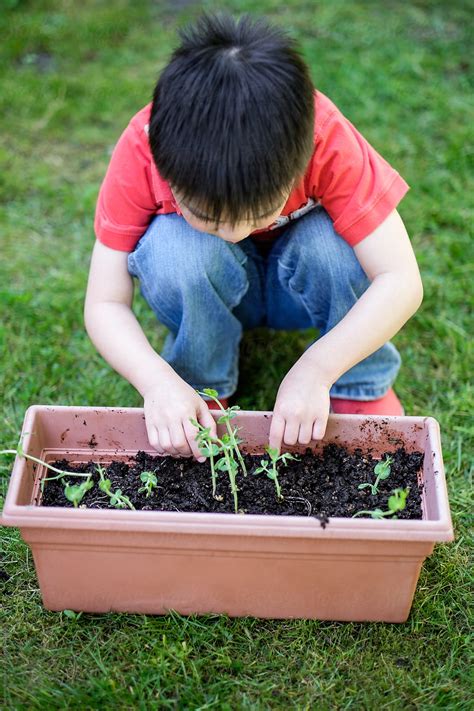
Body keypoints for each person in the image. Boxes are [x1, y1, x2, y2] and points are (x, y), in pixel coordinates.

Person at [85, 12, 423, 461]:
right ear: (161, 165)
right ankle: (198, 385)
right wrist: (157, 382)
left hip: (297, 288)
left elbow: (401, 279)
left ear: (304, 156)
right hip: (217, 290)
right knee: (177, 251)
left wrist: (319, 369)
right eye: (206, 215)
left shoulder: (325, 137)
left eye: (261, 212)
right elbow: (104, 302)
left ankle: (358, 383)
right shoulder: (140, 151)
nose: (235, 232)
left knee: (330, 246)